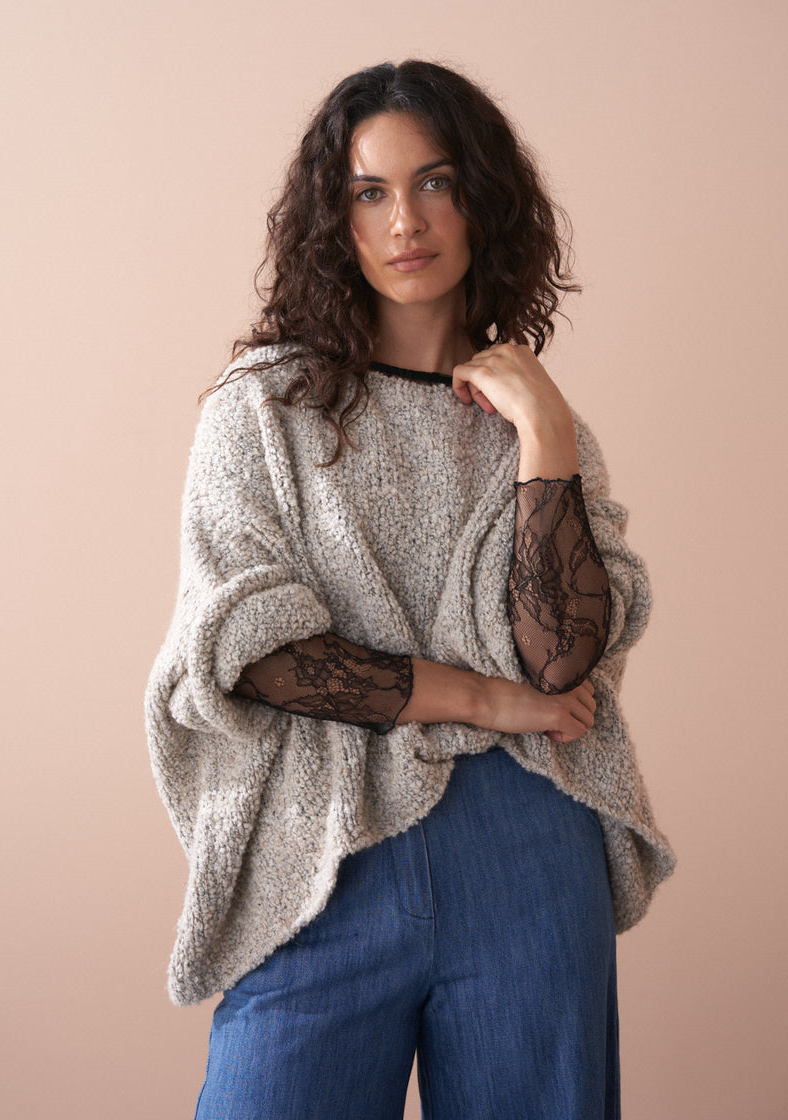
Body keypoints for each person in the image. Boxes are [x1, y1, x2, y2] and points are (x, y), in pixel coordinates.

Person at [144, 58, 675, 1120]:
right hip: (322, 850)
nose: (405, 221)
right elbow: (255, 654)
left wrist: (545, 432)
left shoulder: (546, 430)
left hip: (527, 844)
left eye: (435, 182)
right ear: (331, 219)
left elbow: (562, 657)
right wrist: (482, 699)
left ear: (484, 199)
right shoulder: (263, 411)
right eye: (368, 191)